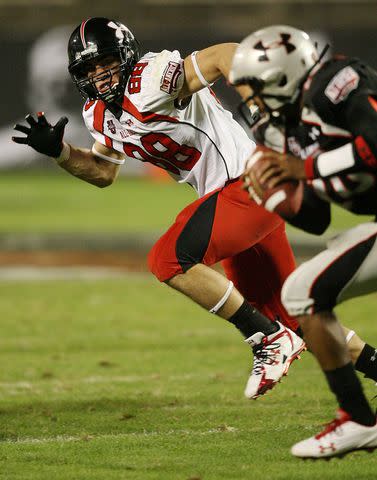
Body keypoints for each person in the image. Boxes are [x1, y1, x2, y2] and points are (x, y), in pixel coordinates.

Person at [12, 18, 372, 404]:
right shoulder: (98, 114)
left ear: (126, 56)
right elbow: (103, 172)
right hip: (236, 203)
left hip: (250, 185)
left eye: (106, 62)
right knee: (300, 320)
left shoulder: (151, 79)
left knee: (169, 259)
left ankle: (265, 339)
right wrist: (61, 153)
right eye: (89, 68)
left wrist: (255, 102)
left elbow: (222, 55)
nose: (100, 75)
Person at [229, 24, 377, 458]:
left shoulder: (335, 83)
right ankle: (359, 420)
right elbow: (317, 219)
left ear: (281, 76)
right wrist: (277, 197)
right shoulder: (288, 128)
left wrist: (303, 171)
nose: (250, 102)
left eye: (254, 88)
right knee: (305, 292)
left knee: (302, 290)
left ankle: (359, 421)